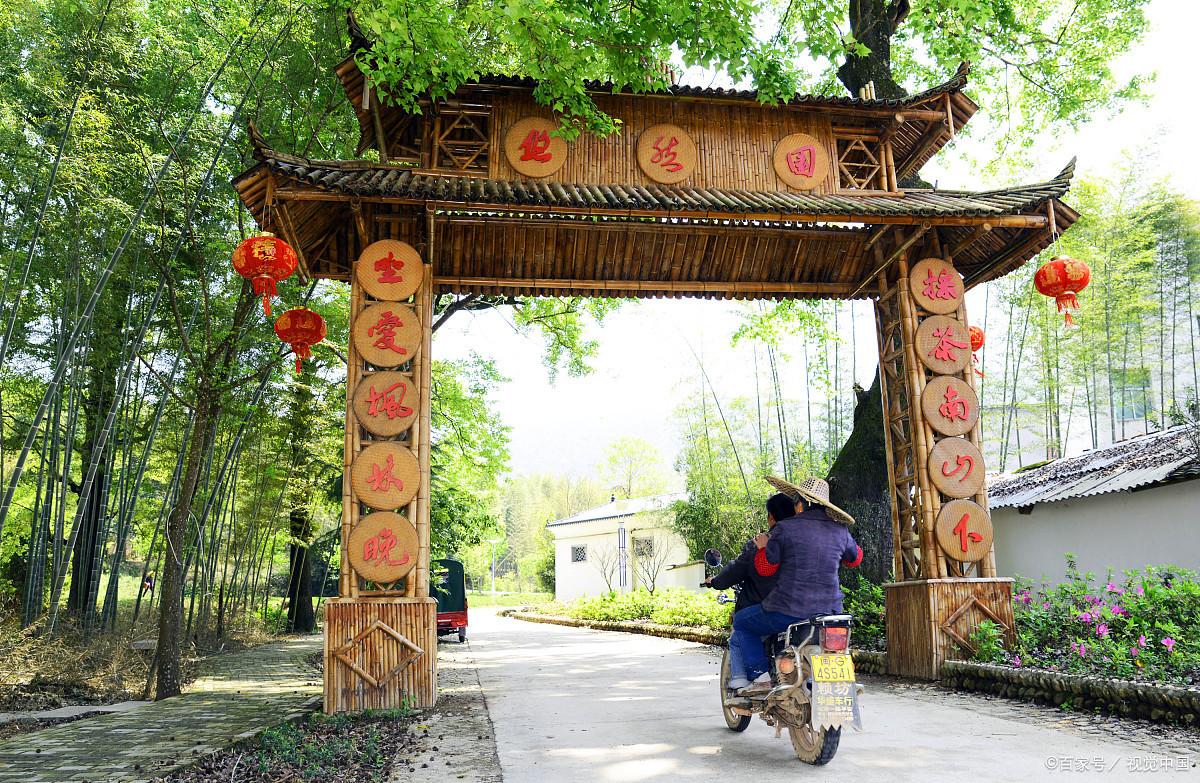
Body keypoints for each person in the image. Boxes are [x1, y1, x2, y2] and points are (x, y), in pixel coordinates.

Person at [727, 477, 862, 693]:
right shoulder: (840, 530)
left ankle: (760, 677)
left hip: (787, 610)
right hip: (830, 614)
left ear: (801, 504)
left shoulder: (785, 528)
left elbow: (766, 568)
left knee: (742, 622)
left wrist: (763, 547)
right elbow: (854, 560)